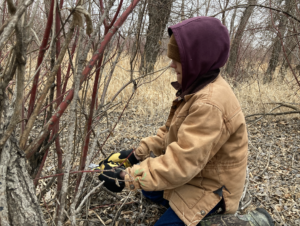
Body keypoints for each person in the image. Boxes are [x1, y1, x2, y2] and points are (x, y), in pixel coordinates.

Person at [96, 17, 274, 226]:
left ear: (197, 59)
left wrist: (126, 178)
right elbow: (168, 132)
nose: (171, 65)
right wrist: (136, 155)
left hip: (212, 190)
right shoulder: (197, 87)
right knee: (148, 189)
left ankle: (251, 221)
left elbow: (181, 163)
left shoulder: (210, 103)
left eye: (177, 59)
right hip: (195, 177)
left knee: (149, 189)